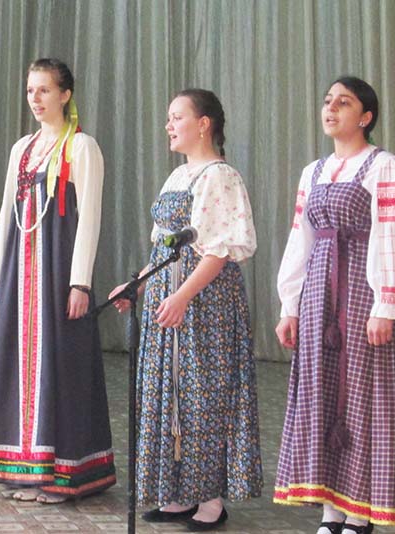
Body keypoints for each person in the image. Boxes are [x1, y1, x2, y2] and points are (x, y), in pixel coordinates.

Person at [273, 76, 395, 534]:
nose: (331, 109)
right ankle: (329, 511)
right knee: (320, 394)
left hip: (361, 289)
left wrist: (386, 303)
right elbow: (300, 239)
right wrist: (289, 304)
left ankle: (359, 513)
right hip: (319, 295)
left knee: (362, 395)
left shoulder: (384, 166)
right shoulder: (313, 171)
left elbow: (394, 234)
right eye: (327, 102)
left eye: (343, 102)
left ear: (365, 117)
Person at [110, 89, 262, 530]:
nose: (169, 125)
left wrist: (183, 296)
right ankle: (177, 491)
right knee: (169, 393)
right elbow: (163, 247)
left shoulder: (221, 176)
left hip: (204, 302)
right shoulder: (178, 176)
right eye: (169, 118)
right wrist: (138, 284)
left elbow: (218, 251)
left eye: (177, 117)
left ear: (204, 124)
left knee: (204, 394)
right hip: (169, 298)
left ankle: (210, 498)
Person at [0, 58, 116, 504]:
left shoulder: (82, 147)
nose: (35, 99)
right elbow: (7, 212)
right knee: (20, 366)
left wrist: (80, 282)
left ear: (65, 95)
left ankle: (65, 475)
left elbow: (89, 216)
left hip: (57, 270)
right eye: (30, 90)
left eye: (44, 90)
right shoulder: (22, 148)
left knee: (61, 365)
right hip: (22, 272)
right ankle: (28, 469)